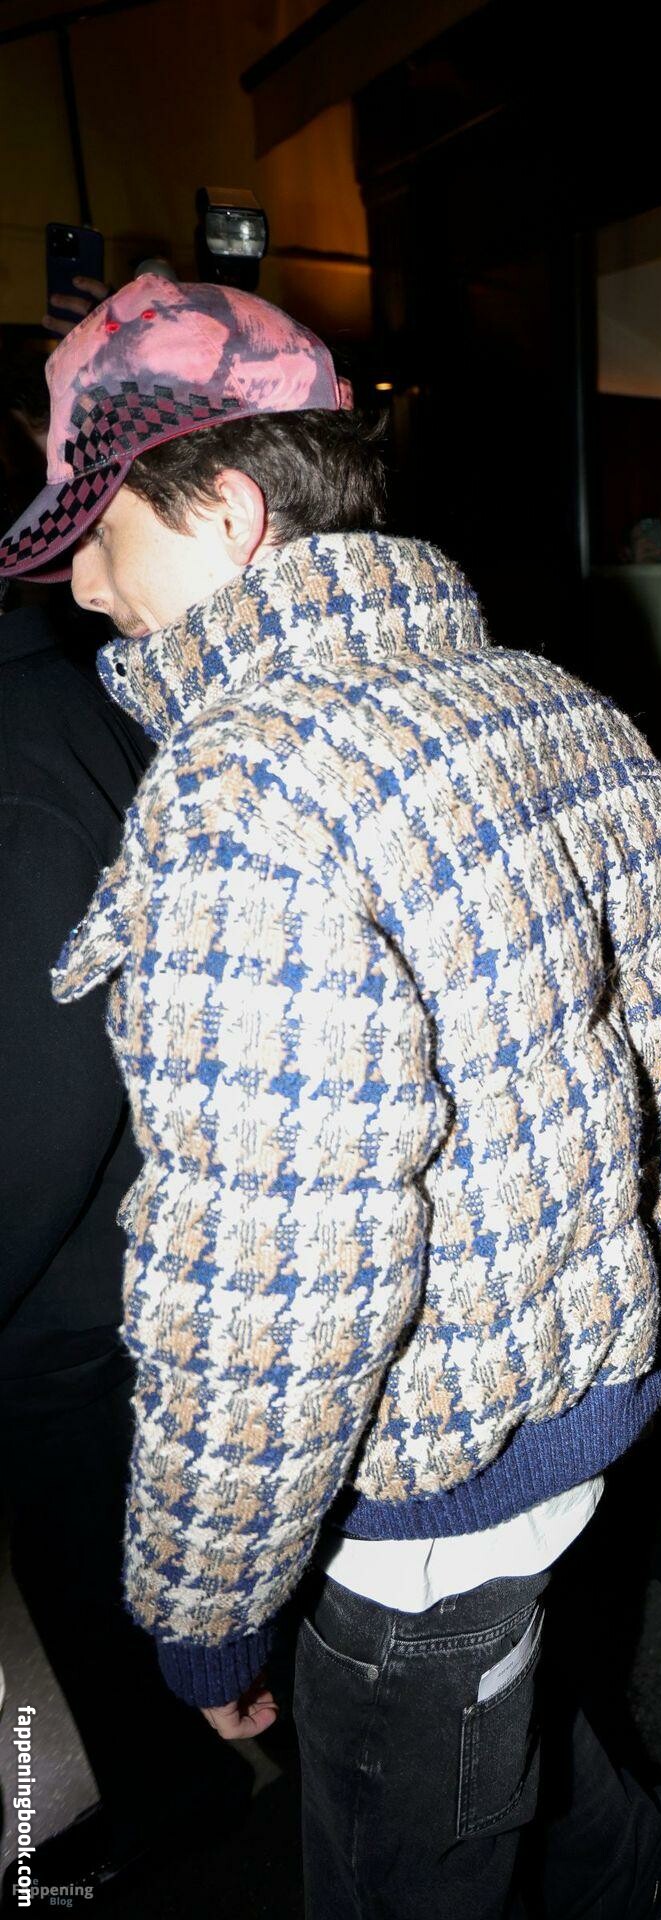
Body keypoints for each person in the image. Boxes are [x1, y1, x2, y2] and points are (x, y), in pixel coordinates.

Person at [0, 273, 661, 1920]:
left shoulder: (244, 796)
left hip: (425, 1482)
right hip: (582, 1397)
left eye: (99, 530)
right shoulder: (553, 694)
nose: (81, 581)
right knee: (520, 1728)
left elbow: (282, 1274)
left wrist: (208, 1607)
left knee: (410, 1860)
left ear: (227, 515)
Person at [0, 352, 251, 1905]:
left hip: (74, 1298)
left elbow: (44, 1108)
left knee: (107, 1600)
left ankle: (177, 1803)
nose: (91, 584)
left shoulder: (29, 751)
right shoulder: (104, 693)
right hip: (131, 1261)